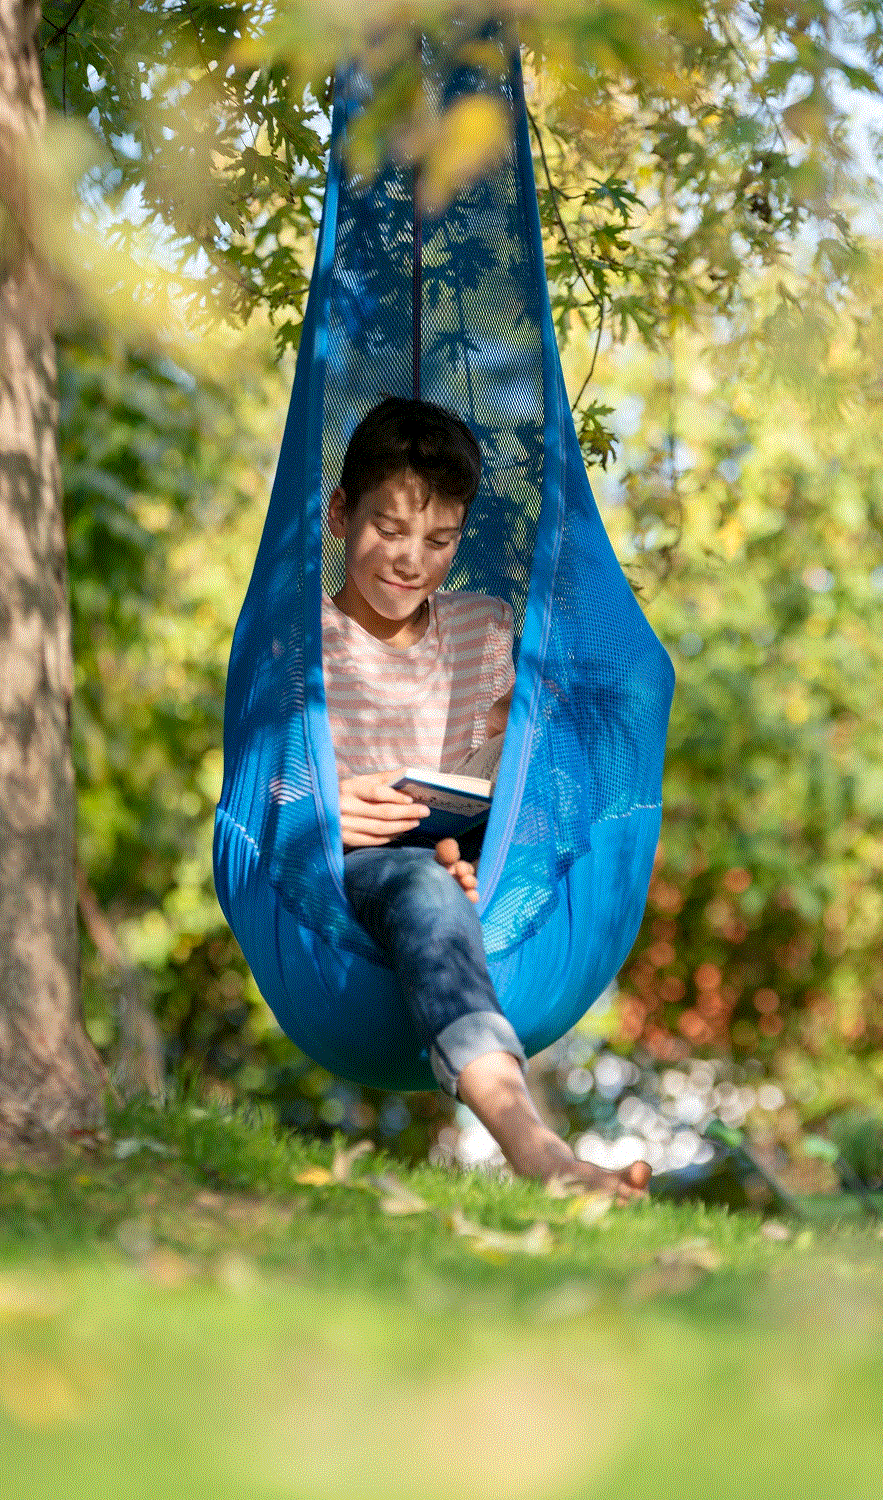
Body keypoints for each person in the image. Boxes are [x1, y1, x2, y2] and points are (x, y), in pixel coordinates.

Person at [323, 397, 651, 1200]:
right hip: (346, 877)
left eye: (438, 541)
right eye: (389, 531)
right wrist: (325, 805)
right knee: (418, 882)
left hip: (462, 861)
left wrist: (487, 818)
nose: (410, 562)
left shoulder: (481, 627)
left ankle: (540, 1144)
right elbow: (265, 796)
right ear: (339, 515)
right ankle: (536, 1151)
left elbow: (506, 770)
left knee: (457, 860)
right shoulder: (296, 640)